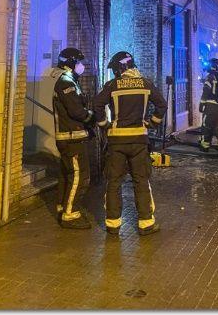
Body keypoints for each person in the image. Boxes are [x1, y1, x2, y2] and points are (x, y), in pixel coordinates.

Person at [95, 51, 166, 236]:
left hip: (117, 142)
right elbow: (162, 105)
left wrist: (104, 125)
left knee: (114, 182)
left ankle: (112, 225)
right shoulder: (145, 84)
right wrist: (152, 123)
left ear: (120, 68)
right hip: (139, 142)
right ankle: (146, 223)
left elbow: (97, 104)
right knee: (141, 181)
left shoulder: (112, 86)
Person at [50, 47, 96, 229]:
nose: (82, 65)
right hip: (71, 139)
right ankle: (70, 215)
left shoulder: (68, 81)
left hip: (70, 138)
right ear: (70, 64)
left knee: (67, 174)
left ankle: (63, 207)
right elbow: (76, 111)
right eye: (79, 62)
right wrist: (91, 117)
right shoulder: (66, 83)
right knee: (80, 176)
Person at [199, 58, 218, 151]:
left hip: (210, 107)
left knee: (206, 126)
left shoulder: (210, 77)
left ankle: (205, 146)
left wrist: (201, 104)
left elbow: (206, 92)